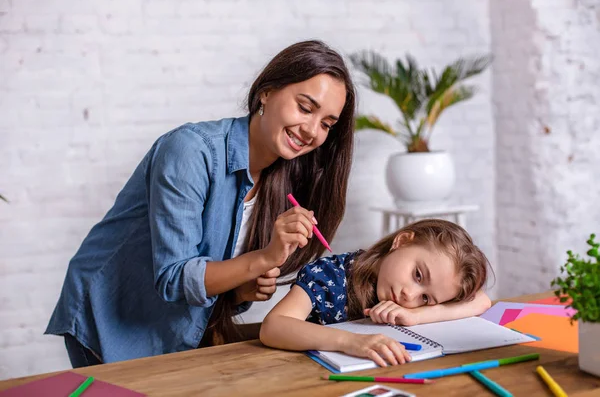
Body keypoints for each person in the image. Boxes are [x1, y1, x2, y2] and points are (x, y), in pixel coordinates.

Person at [45, 40, 357, 367]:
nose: (312, 131)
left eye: (326, 124)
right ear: (266, 92)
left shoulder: (281, 177)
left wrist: (242, 291)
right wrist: (263, 258)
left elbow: (212, 277)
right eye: (305, 107)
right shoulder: (191, 151)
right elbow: (176, 278)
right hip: (111, 317)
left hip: (174, 327)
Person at [259, 219, 492, 368]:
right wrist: (351, 342)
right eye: (418, 275)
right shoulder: (330, 275)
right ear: (401, 241)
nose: (409, 296)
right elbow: (273, 326)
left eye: (426, 298)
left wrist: (418, 316)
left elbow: (482, 300)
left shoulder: (410, 307)